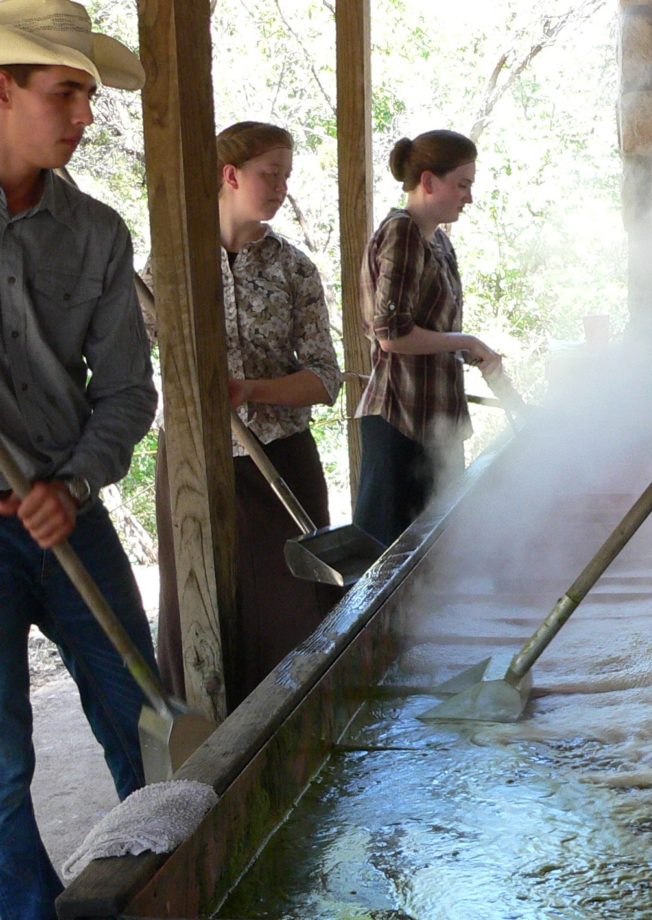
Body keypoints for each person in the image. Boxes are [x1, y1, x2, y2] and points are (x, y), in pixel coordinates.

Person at [0, 2, 158, 916]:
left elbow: (130, 392)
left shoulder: (97, 232)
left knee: (139, 713)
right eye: (65, 92)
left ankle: (167, 880)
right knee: (0, 759)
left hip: (74, 519)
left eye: (89, 96)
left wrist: (74, 481)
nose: (85, 117)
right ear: (4, 88)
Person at [144, 121, 342, 710]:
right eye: (269, 174)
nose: (281, 187)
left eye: (286, 175)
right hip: (192, 464)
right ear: (230, 176)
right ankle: (208, 739)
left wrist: (248, 390)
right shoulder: (171, 266)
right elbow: (130, 350)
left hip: (280, 460)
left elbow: (325, 379)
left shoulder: (294, 269)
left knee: (292, 608)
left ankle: (294, 729)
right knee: (200, 601)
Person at [353, 129, 502, 546]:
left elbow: (432, 331)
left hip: (438, 419)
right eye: (462, 185)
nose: (468, 198)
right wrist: (467, 342)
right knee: (389, 561)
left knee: (442, 551)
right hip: (400, 419)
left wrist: (467, 347)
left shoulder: (437, 241)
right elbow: (392, 335)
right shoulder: (401, 232)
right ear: (428, 182)